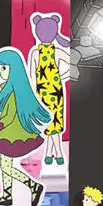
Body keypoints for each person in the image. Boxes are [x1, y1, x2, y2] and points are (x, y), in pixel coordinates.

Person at [0, 48, 51, 206]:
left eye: (4, 68)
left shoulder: (14, 92)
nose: (1, 72)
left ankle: (33, 186)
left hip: (11, 132)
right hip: (8, 130)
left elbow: (8, 117)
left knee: (5, 166)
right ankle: (7, 195)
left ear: (14, 68)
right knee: (4, 165)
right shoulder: (10, 88)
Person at [28, 13, 70, 165]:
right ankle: (56, 152)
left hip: (49, 92)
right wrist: (61, 77)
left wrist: (62, 77)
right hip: (49, 92)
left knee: (53, 122)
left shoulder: (40, 53)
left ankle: (52, 152)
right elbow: (32, 75)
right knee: (51, 123)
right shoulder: (39, 52)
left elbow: (32, 76)